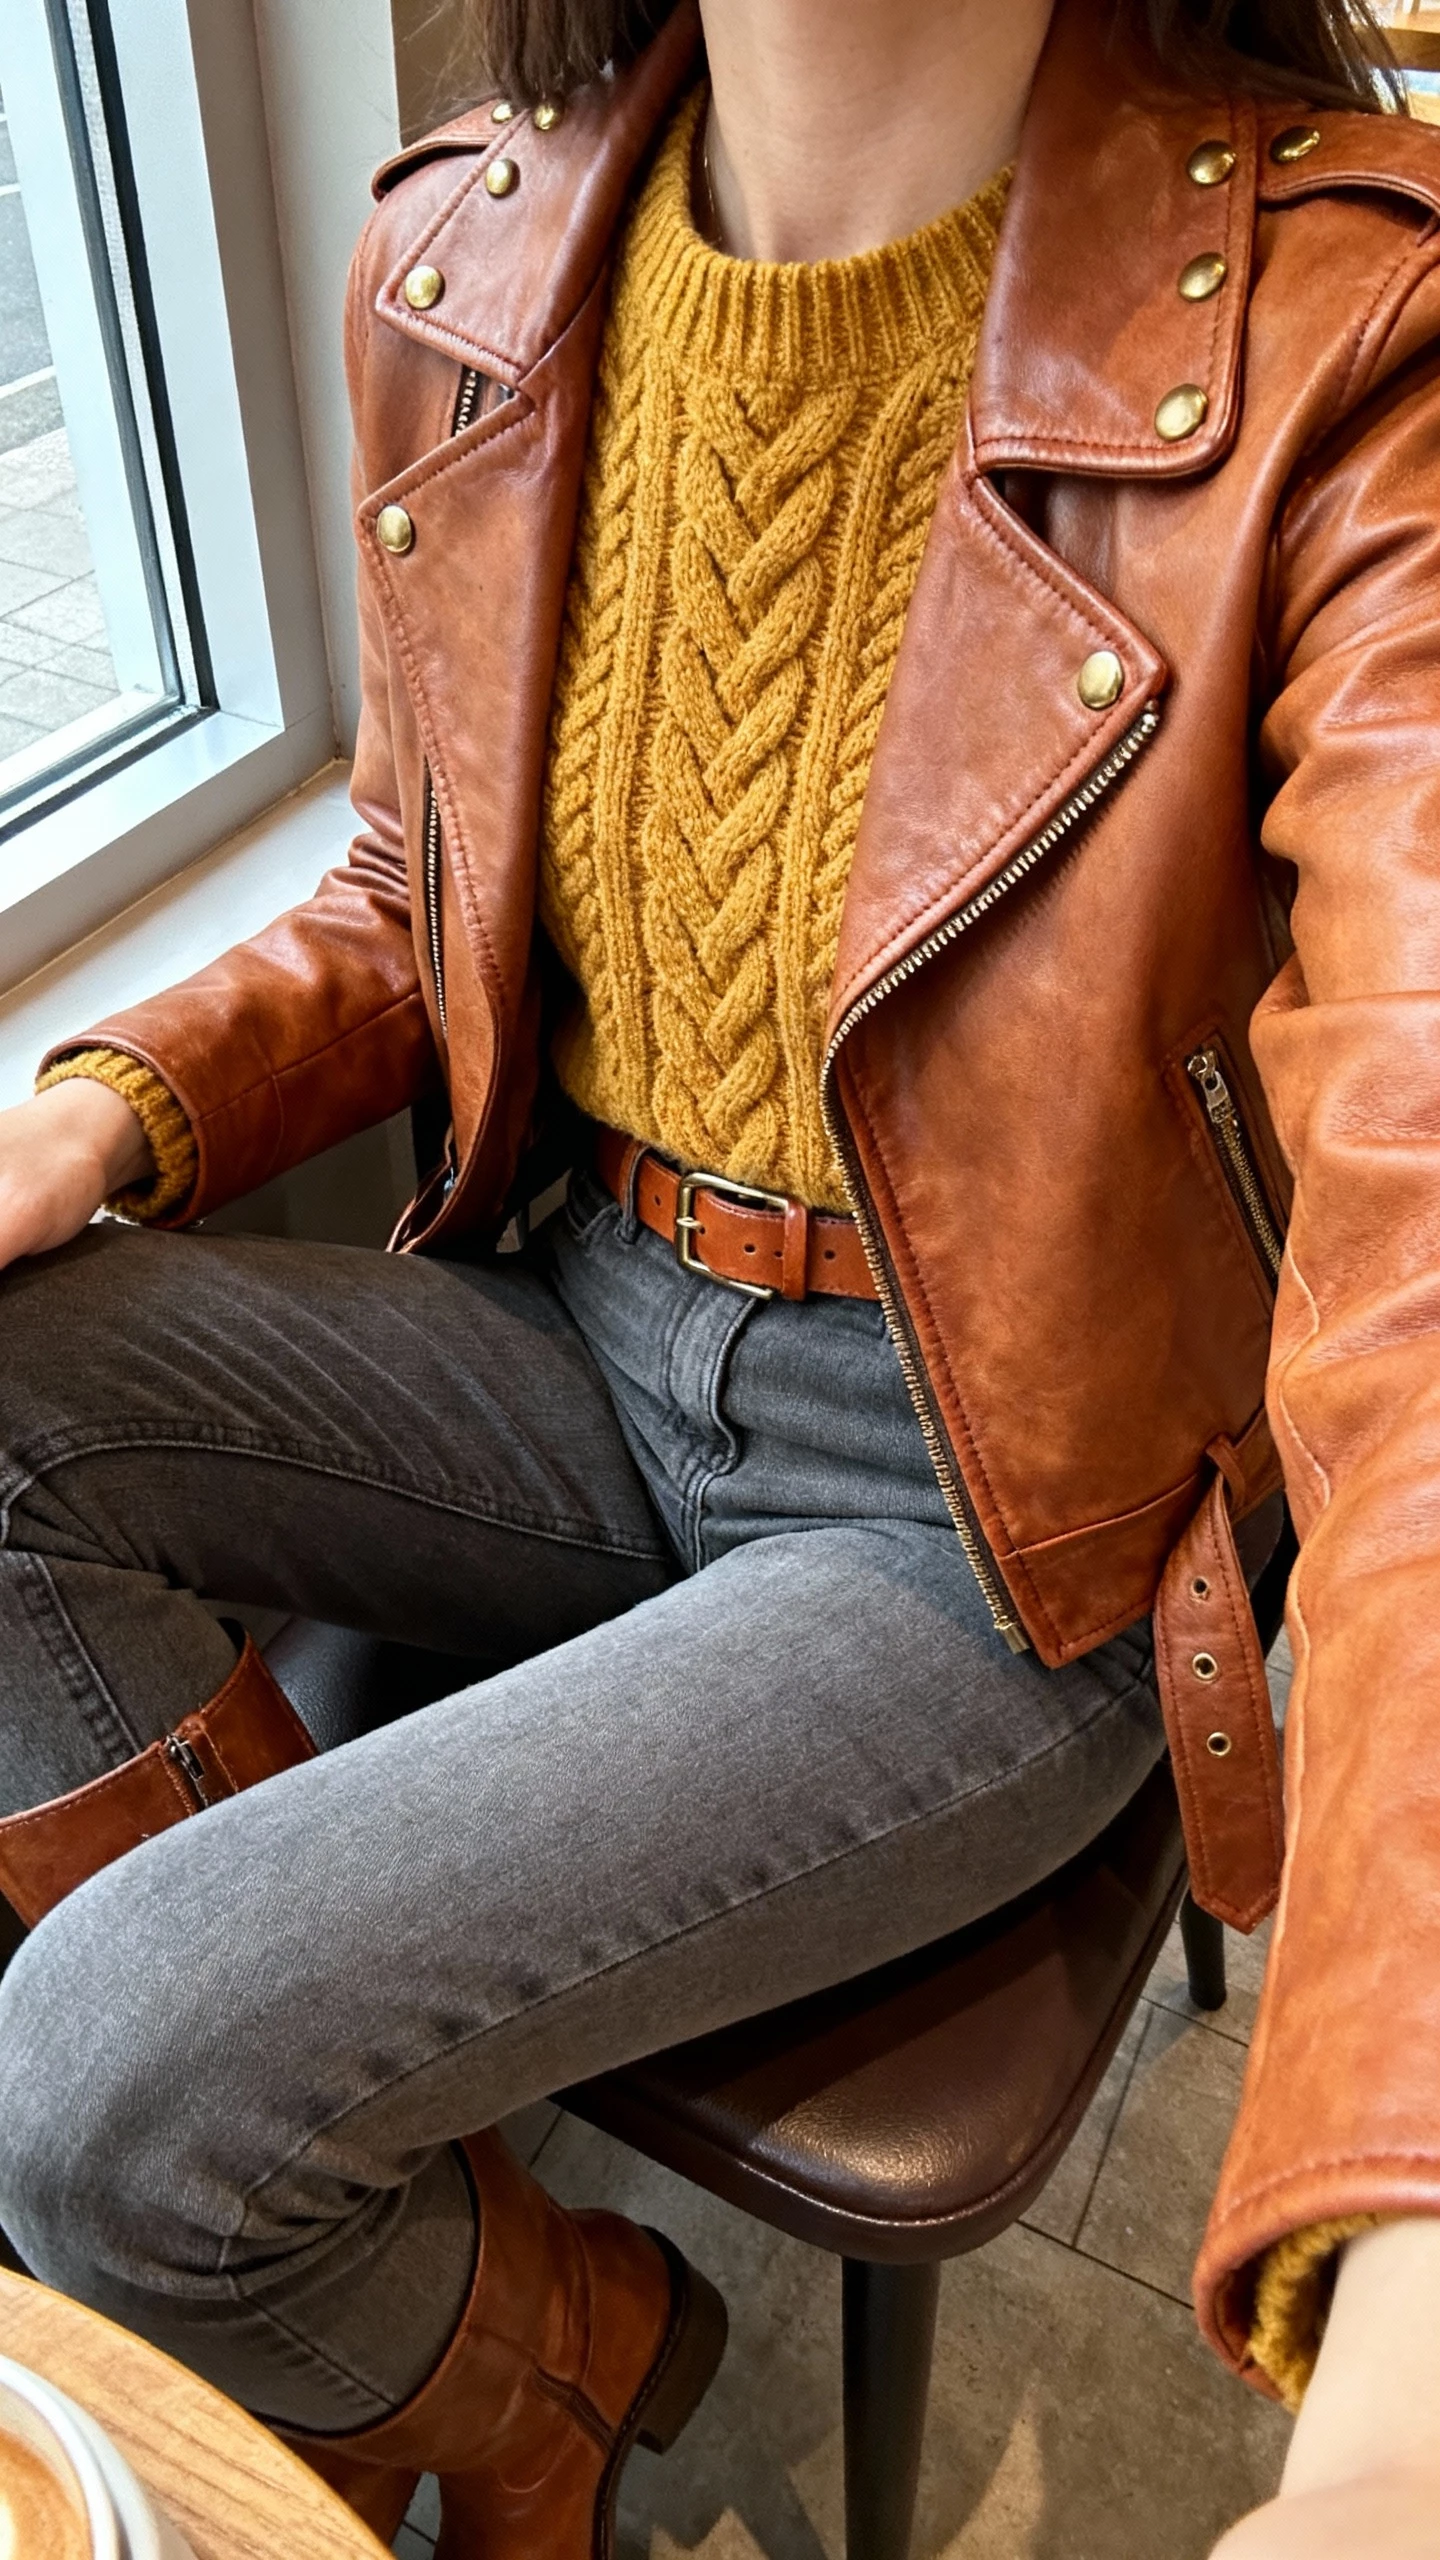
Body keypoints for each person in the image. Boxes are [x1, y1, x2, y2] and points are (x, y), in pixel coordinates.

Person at [0, 0, 1438, 2545]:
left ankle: (349, 2245)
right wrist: (105, 1101)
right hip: (580, 1314)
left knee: (95, 2082)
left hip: (985, 1517)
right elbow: (407, 882)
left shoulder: (1358, 343)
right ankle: (521, 2322)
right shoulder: (471, 242)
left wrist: (1412, 2352)